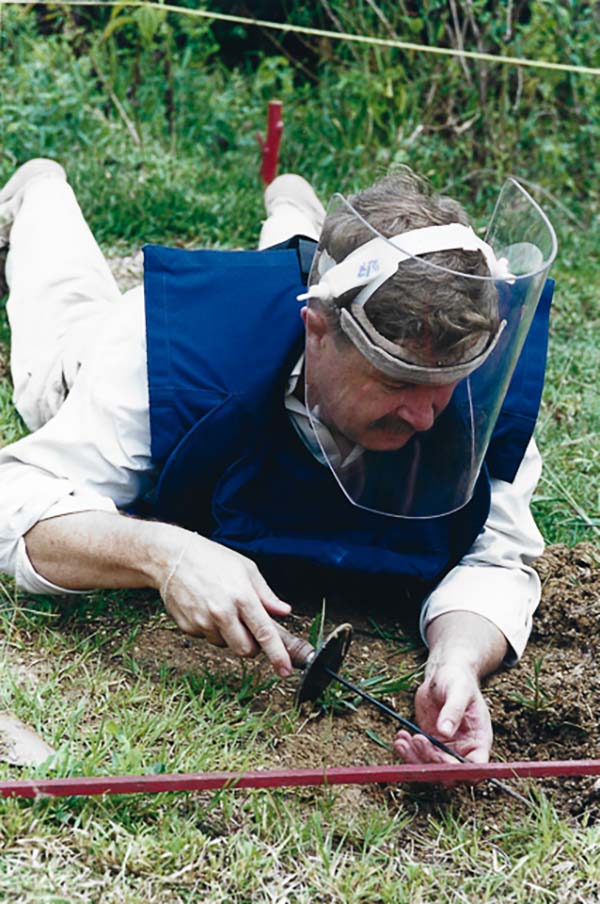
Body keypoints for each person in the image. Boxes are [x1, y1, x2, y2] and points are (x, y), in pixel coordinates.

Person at [0, 159, 555, 766]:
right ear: (316, 329)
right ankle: (41, 191)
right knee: (62, 339)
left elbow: (497, 558)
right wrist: (166, 555)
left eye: (445, 384)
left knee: (302, 251)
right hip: (118, 345)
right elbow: (18, 494)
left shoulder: (477, 394)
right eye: (398, 381)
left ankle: (294, 209)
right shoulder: (162, 350)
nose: (426, 416)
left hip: (315, 288)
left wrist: (460, 658)